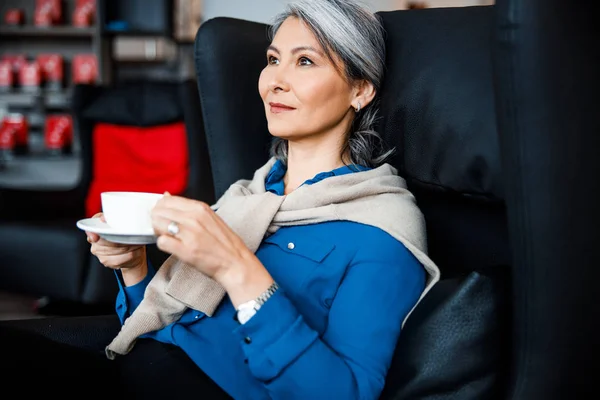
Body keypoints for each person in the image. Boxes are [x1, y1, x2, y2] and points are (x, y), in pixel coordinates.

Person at [0, 0, 440, 398]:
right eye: (272, 60)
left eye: (305, 61)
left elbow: (343, 394)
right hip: (131, 369)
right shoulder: (247, 196)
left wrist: (239, 269)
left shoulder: (382, 231)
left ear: (360, 90)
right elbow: (164, 323)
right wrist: (135, 268)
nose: (274, 82)